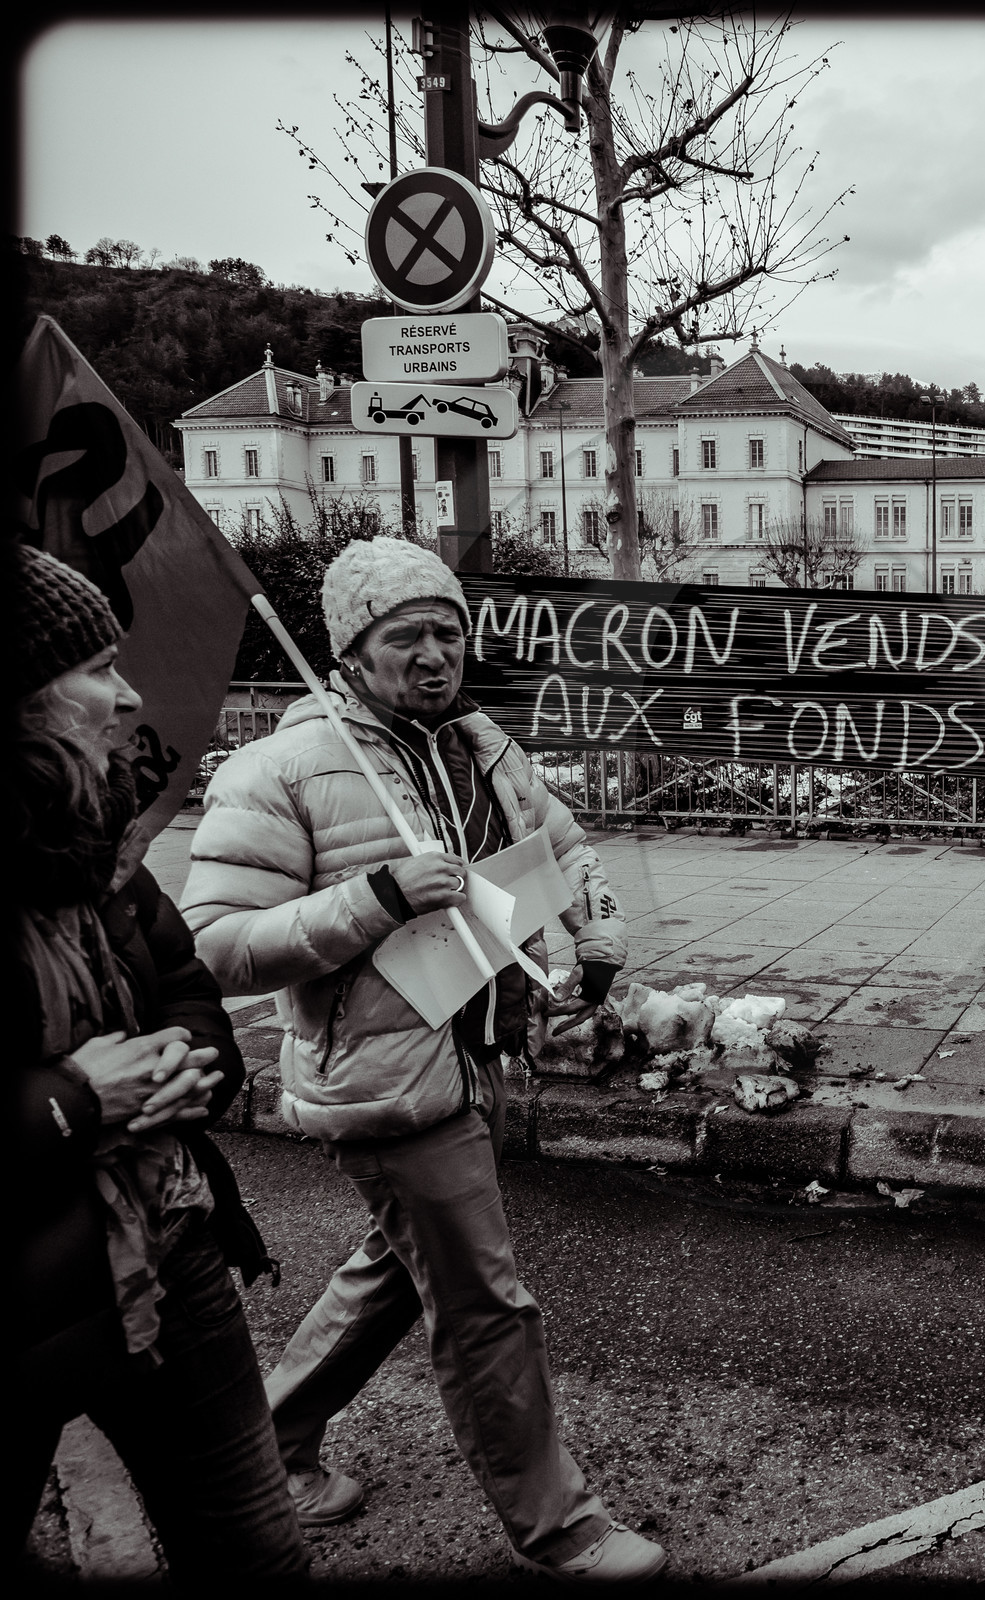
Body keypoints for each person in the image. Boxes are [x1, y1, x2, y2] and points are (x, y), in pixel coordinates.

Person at [180, 536, 664, 1581]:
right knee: (486, 1301)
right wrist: (378, 896)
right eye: (408, 635)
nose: (438, 652)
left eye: (449, 629)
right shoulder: (288, 768)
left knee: (398, 1274)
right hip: (385, 1083)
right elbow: (211, 944)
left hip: (483, 1051)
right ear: (354, 650)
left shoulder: (484, 745)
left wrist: (602, 931)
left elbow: (577, 853)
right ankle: (561, 1528)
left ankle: (267, 1448)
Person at [11, 544, 307, 1578]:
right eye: (96, 666)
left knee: (256, 1545)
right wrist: (76, 1102)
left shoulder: (97, 843)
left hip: (168, 1237)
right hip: (27, 1282)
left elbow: (184, 979)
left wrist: (191, 1064)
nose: (128, 693)